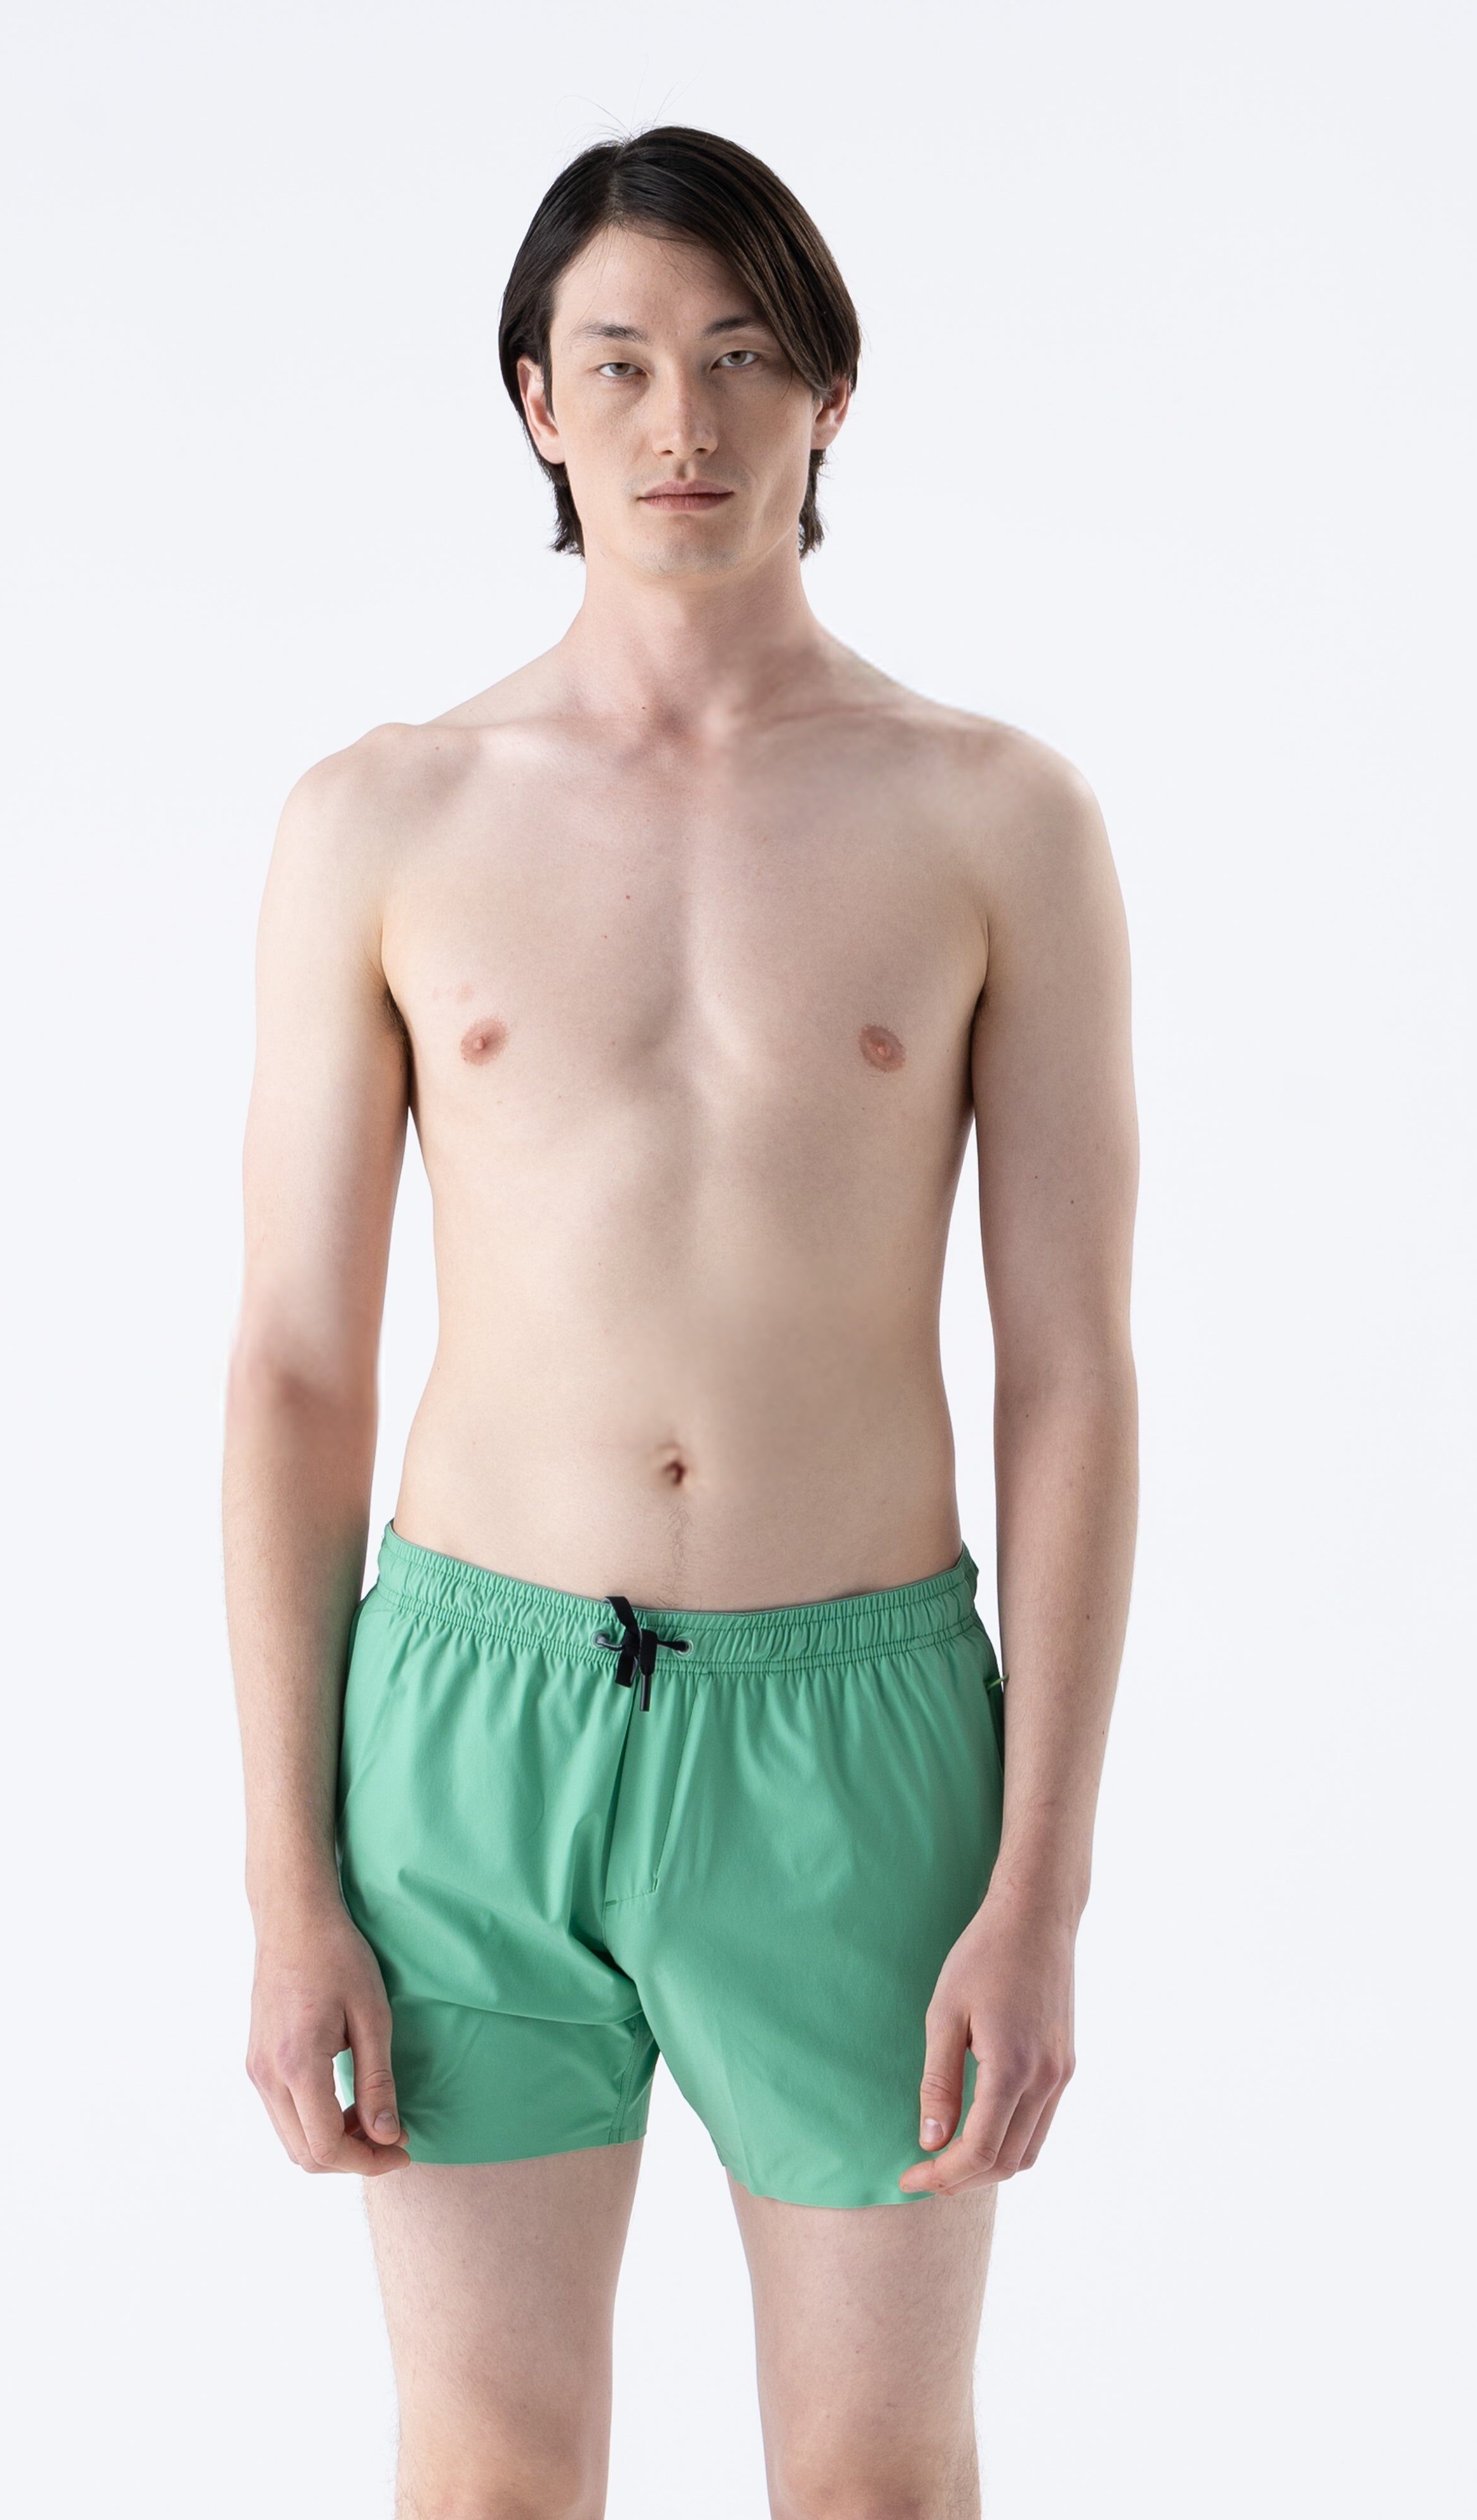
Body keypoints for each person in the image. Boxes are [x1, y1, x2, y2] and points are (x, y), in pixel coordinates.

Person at [223, 124, 1138, 2519]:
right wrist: (289, 1882)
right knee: (488, 2476)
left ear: (836, 392)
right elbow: (295, 1366)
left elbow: (1072, 1372)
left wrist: (1042, 1883)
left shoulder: (996, 817)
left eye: (742, 360)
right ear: (536, 403)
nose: (684, 425)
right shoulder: (384, 817)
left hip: (856, 1738)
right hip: (468, 1726)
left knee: (876, 2479)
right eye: (620, 364)